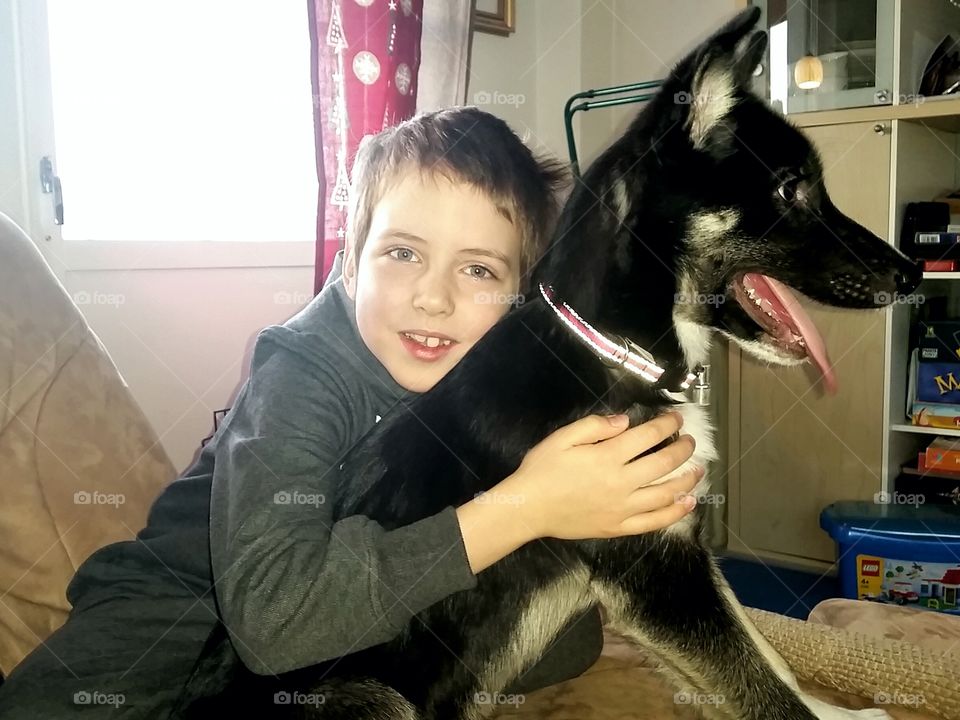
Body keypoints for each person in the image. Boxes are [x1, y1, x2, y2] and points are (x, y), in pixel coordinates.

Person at [0, 106, 701, 718]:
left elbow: (561, 641)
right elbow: (273, 620)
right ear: (349, 265)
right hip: (170, 615)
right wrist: (520, 511)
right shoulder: (301, 375)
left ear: (522, 302)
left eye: (479, 269)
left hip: (321, 649)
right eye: (402, 253)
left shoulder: (488, 394)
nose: (433, 296)